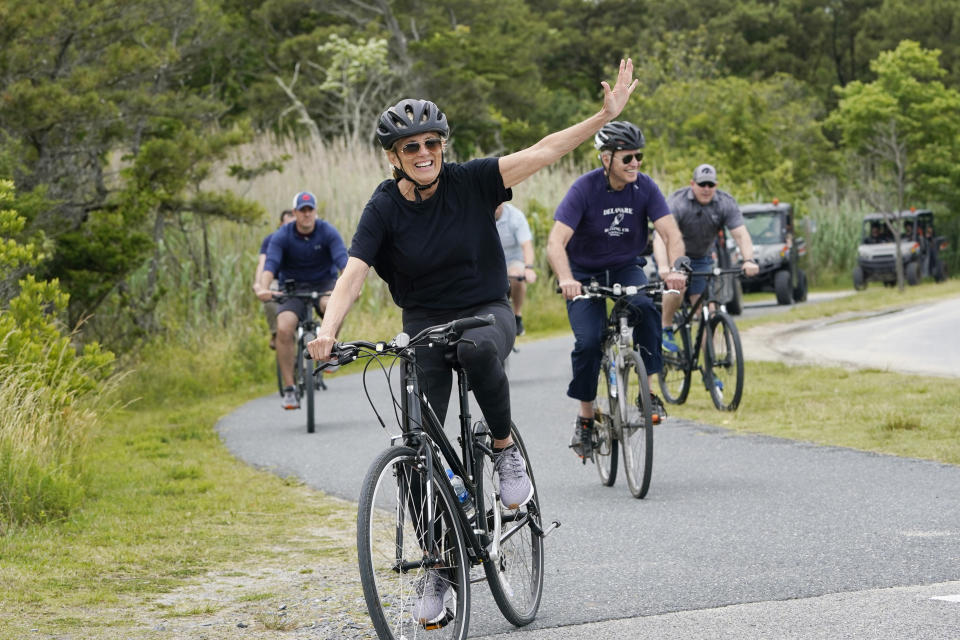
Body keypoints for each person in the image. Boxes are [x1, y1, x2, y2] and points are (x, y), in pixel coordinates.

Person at [307, 59, 640, 626]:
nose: (423, 154)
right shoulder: (383, 207)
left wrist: (601, 119)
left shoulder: (471, 180)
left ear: (442, 146)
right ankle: (439, 566)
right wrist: (327, 331)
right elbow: (355, 272)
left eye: (431, 143)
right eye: (410, 148)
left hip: (485, 310)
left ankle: (505, 450)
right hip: (423, 324)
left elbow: (543, 151)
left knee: (479, 350)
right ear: (394, 158)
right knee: (417, 450)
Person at [546, 120, 687, 462]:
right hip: (583, 272)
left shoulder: (645, 187)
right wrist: (566, 278)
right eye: (628, 158)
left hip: (626, 266)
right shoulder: (584, 189)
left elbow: (671, 233)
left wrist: (678, 266)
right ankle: (585, 416)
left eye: (638, 156)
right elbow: (555, 242)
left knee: (647, 306)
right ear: (606, 159)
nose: (635, 163)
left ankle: (648, 393)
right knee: (589, 341)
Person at [654, 164, 759, 354]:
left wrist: (749, 260)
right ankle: (666, 327)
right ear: (692, 184)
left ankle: (709, 366)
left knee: (707, 313)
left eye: (711, 185)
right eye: (702, 184)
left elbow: (741, 235)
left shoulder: (725, 203)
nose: (706, 189)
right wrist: (664, 267)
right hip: (675, 256)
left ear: (716, 185)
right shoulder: (678, 202)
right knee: (678, 286)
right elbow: (661, 237)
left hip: (702, 258)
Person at [258, 191, 348, 410]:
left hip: (323, 284)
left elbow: (343, 262)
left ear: (315, 212)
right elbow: (270, 265)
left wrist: (349, 287)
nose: (306, 215)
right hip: (293, 287)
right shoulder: (283, 235)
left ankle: (329, 349)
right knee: (284, 328)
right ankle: (289, 389)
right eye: (302, 210)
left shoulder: (327, 231)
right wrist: (263, 286)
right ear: (295, 212)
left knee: (333, 306)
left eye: (310, 210)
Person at [253, 208, 295, 350]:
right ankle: (275, 332)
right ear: (281, 224)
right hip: (276, 280)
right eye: (287, 224)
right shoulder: (271, 239)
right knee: (269, 297)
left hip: (299, 280)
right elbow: (263, 263)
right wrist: (259, 284)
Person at [495, 202, 537, 335]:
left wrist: (528, 268)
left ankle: (517, 315)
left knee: (516, 276)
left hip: (514, 259)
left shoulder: (515, 217)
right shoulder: (479, 215)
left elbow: (526, 246)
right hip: (493, 260)